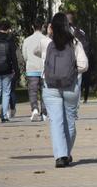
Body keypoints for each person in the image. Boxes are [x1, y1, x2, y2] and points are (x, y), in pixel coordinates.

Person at [38, 12, 89, 167]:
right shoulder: (74, 43)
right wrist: (72, 71)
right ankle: (66, 154)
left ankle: (61, 156)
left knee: (56, 122)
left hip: (50, 87)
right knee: (70, 122)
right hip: (70, 86)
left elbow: (36, 54)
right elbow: (84, 65)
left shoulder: (45, 43)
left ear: (51, 27)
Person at [22, 19, 48, 122]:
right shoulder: (46, 39)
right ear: (42, 27)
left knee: (32, 91)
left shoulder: (27, 40)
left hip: (31, 68)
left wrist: (29, 61)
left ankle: (35, 109)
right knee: (44, 91)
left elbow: (24, 56)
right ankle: (45, 113)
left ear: (32, 27)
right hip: (43, 69)